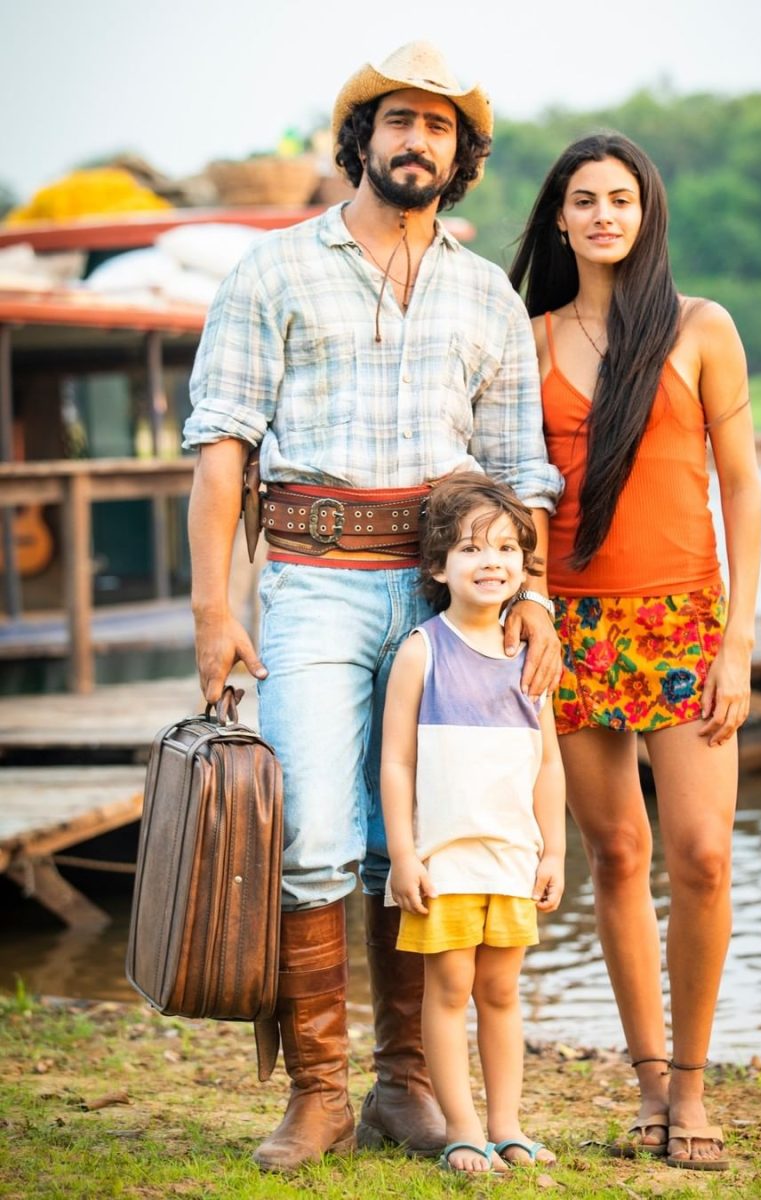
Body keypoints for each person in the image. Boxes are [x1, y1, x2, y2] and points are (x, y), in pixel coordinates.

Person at [183, 42, 563, 1171]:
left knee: (434, 834)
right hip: (313, 585)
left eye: (441, 128)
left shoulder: (482, 290)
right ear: (363, 138)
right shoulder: (272, 271)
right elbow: (220, 454)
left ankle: (408, 1086)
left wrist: (531, 595)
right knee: (314, 841)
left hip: (453, 605)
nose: (418, 142)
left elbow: (517, 472)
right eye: (400, 121)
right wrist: (217, 612)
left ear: (461, 154)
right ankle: (319, 1096)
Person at [510, 134, 761, 1172]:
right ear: (560, 218)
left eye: (621, 198)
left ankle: (696, 1082)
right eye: (584, 200)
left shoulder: (702, 329)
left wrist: (739, 639)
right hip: (573, 628)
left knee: (702, 855)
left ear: (647, 213)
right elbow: (523, 495)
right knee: (616, 855)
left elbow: (740, 485)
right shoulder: (529, 340)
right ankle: (651, 1082)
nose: (604, 215)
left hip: (684, 624)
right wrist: (528, 605)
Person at [381, 473, 565, 1176]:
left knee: (501, 991)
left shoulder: (531, 656)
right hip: (447, 861)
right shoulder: (423, 651)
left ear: (524, 562)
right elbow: (396, 764)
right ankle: (460, 1128)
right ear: (437, 566)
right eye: (469, 549)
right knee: (449, 988)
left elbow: (548, 763)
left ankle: (507, 1125)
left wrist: (551, 852)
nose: (491, 562)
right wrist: (405, 855)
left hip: (513, 859)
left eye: (506, 548)